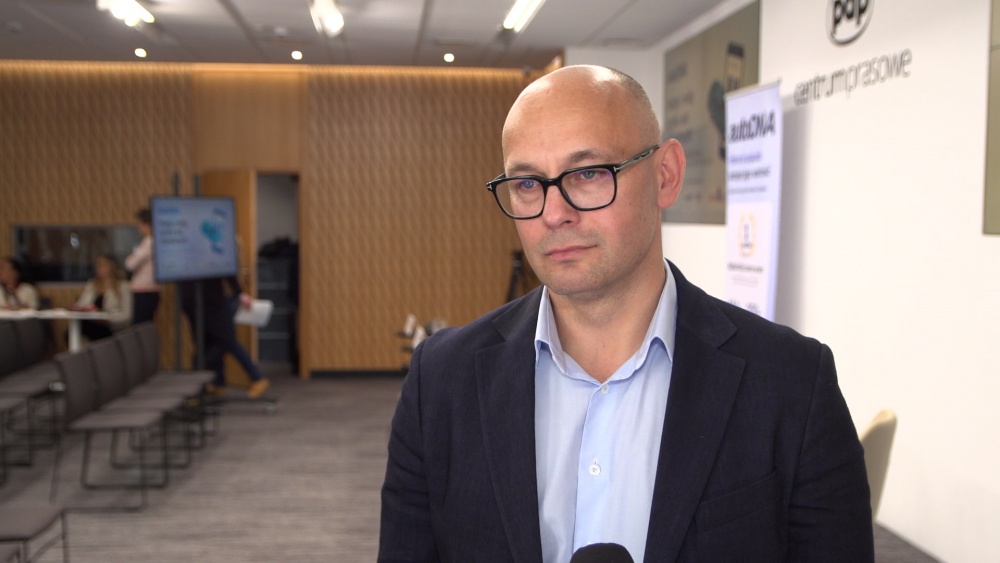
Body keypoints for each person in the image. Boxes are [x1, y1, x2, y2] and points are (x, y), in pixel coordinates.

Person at [378, 66, 874, 562]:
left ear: (665, 176)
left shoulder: (792, 384)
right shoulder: (439, 383)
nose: (553, 213)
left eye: (588, 174)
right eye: (528, 183)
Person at [179, 276, 270, 399]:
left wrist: (239, 293)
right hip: (203, 299)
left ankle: (255, 377)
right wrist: (239, 293)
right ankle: (220, 383)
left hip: (196, 299)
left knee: (222, 341)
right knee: (217, 341)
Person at [73, 253, 132, 342]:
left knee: (87, 329)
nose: (98, 268)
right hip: (91, 322)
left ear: (111, 267)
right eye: (97, 265)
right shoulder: (92, 285)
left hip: (111, 326)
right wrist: (85, 310)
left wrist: (109, 319)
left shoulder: (123, 287)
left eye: (101, 265)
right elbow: (80, 304)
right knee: (78, 328)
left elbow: (127, 315)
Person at [124, 207, 160, 324]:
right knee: (144, 325)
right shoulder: (154, 241)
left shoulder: (149, 242)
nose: (138, 228)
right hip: (149, 289)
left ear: (147, 225)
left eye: (139, 224)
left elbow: (130, 264)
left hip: (145, 290)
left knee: (141, 325)